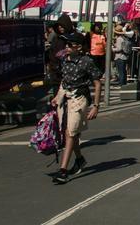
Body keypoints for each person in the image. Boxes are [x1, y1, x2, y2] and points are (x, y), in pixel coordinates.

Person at [50, 32, 104, 185]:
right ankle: (79, 159)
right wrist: (57, 97)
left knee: (70, 133)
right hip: (65, 97)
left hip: (79, 99)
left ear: (78, 47)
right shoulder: (64, 60)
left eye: (69, 45)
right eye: (65, 44)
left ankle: (63, 170)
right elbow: (64, 81)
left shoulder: (87, 61)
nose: (66, 47)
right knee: (68, 132)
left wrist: (95, 106)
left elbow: (97, 83)